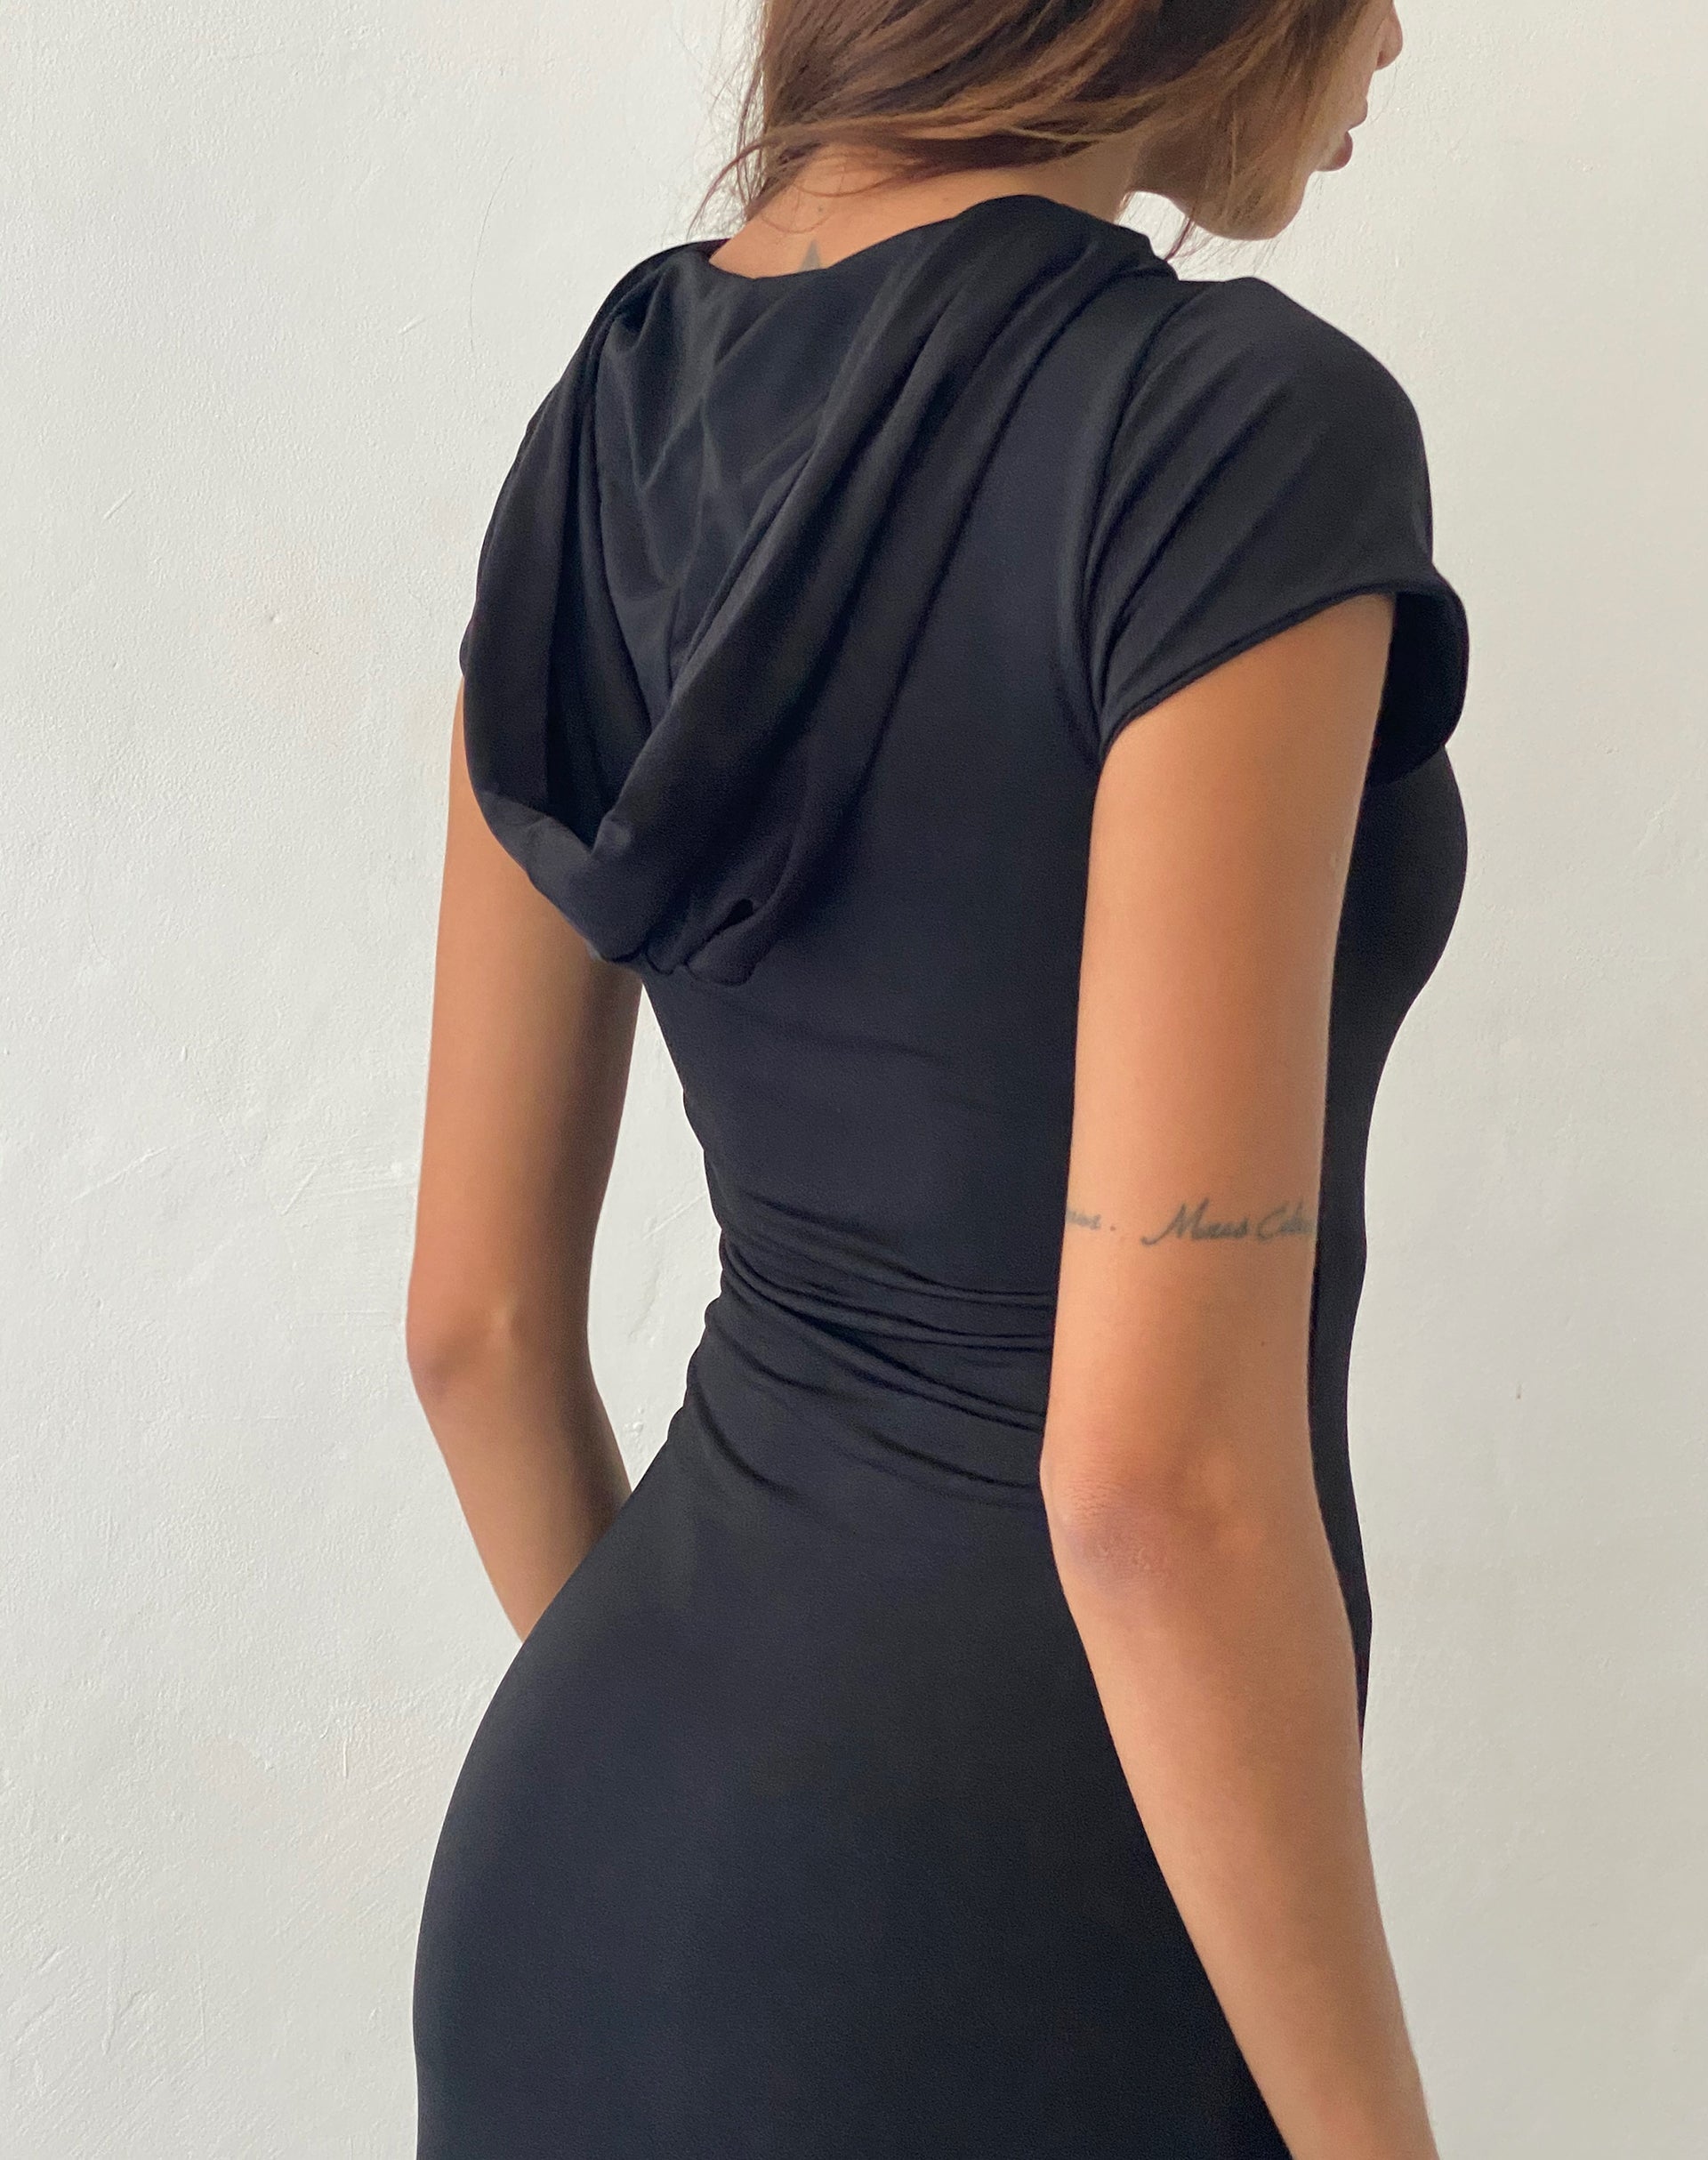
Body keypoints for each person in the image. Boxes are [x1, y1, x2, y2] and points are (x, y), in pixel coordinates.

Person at [406, 1, 1470, 2154]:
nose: (1390, 29)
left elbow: (475, 1327)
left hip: (576, 1881)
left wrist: (731, 1802)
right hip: (1023, 1928)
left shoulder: (602, 422)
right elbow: (1155, 1483)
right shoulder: (1229, 434)